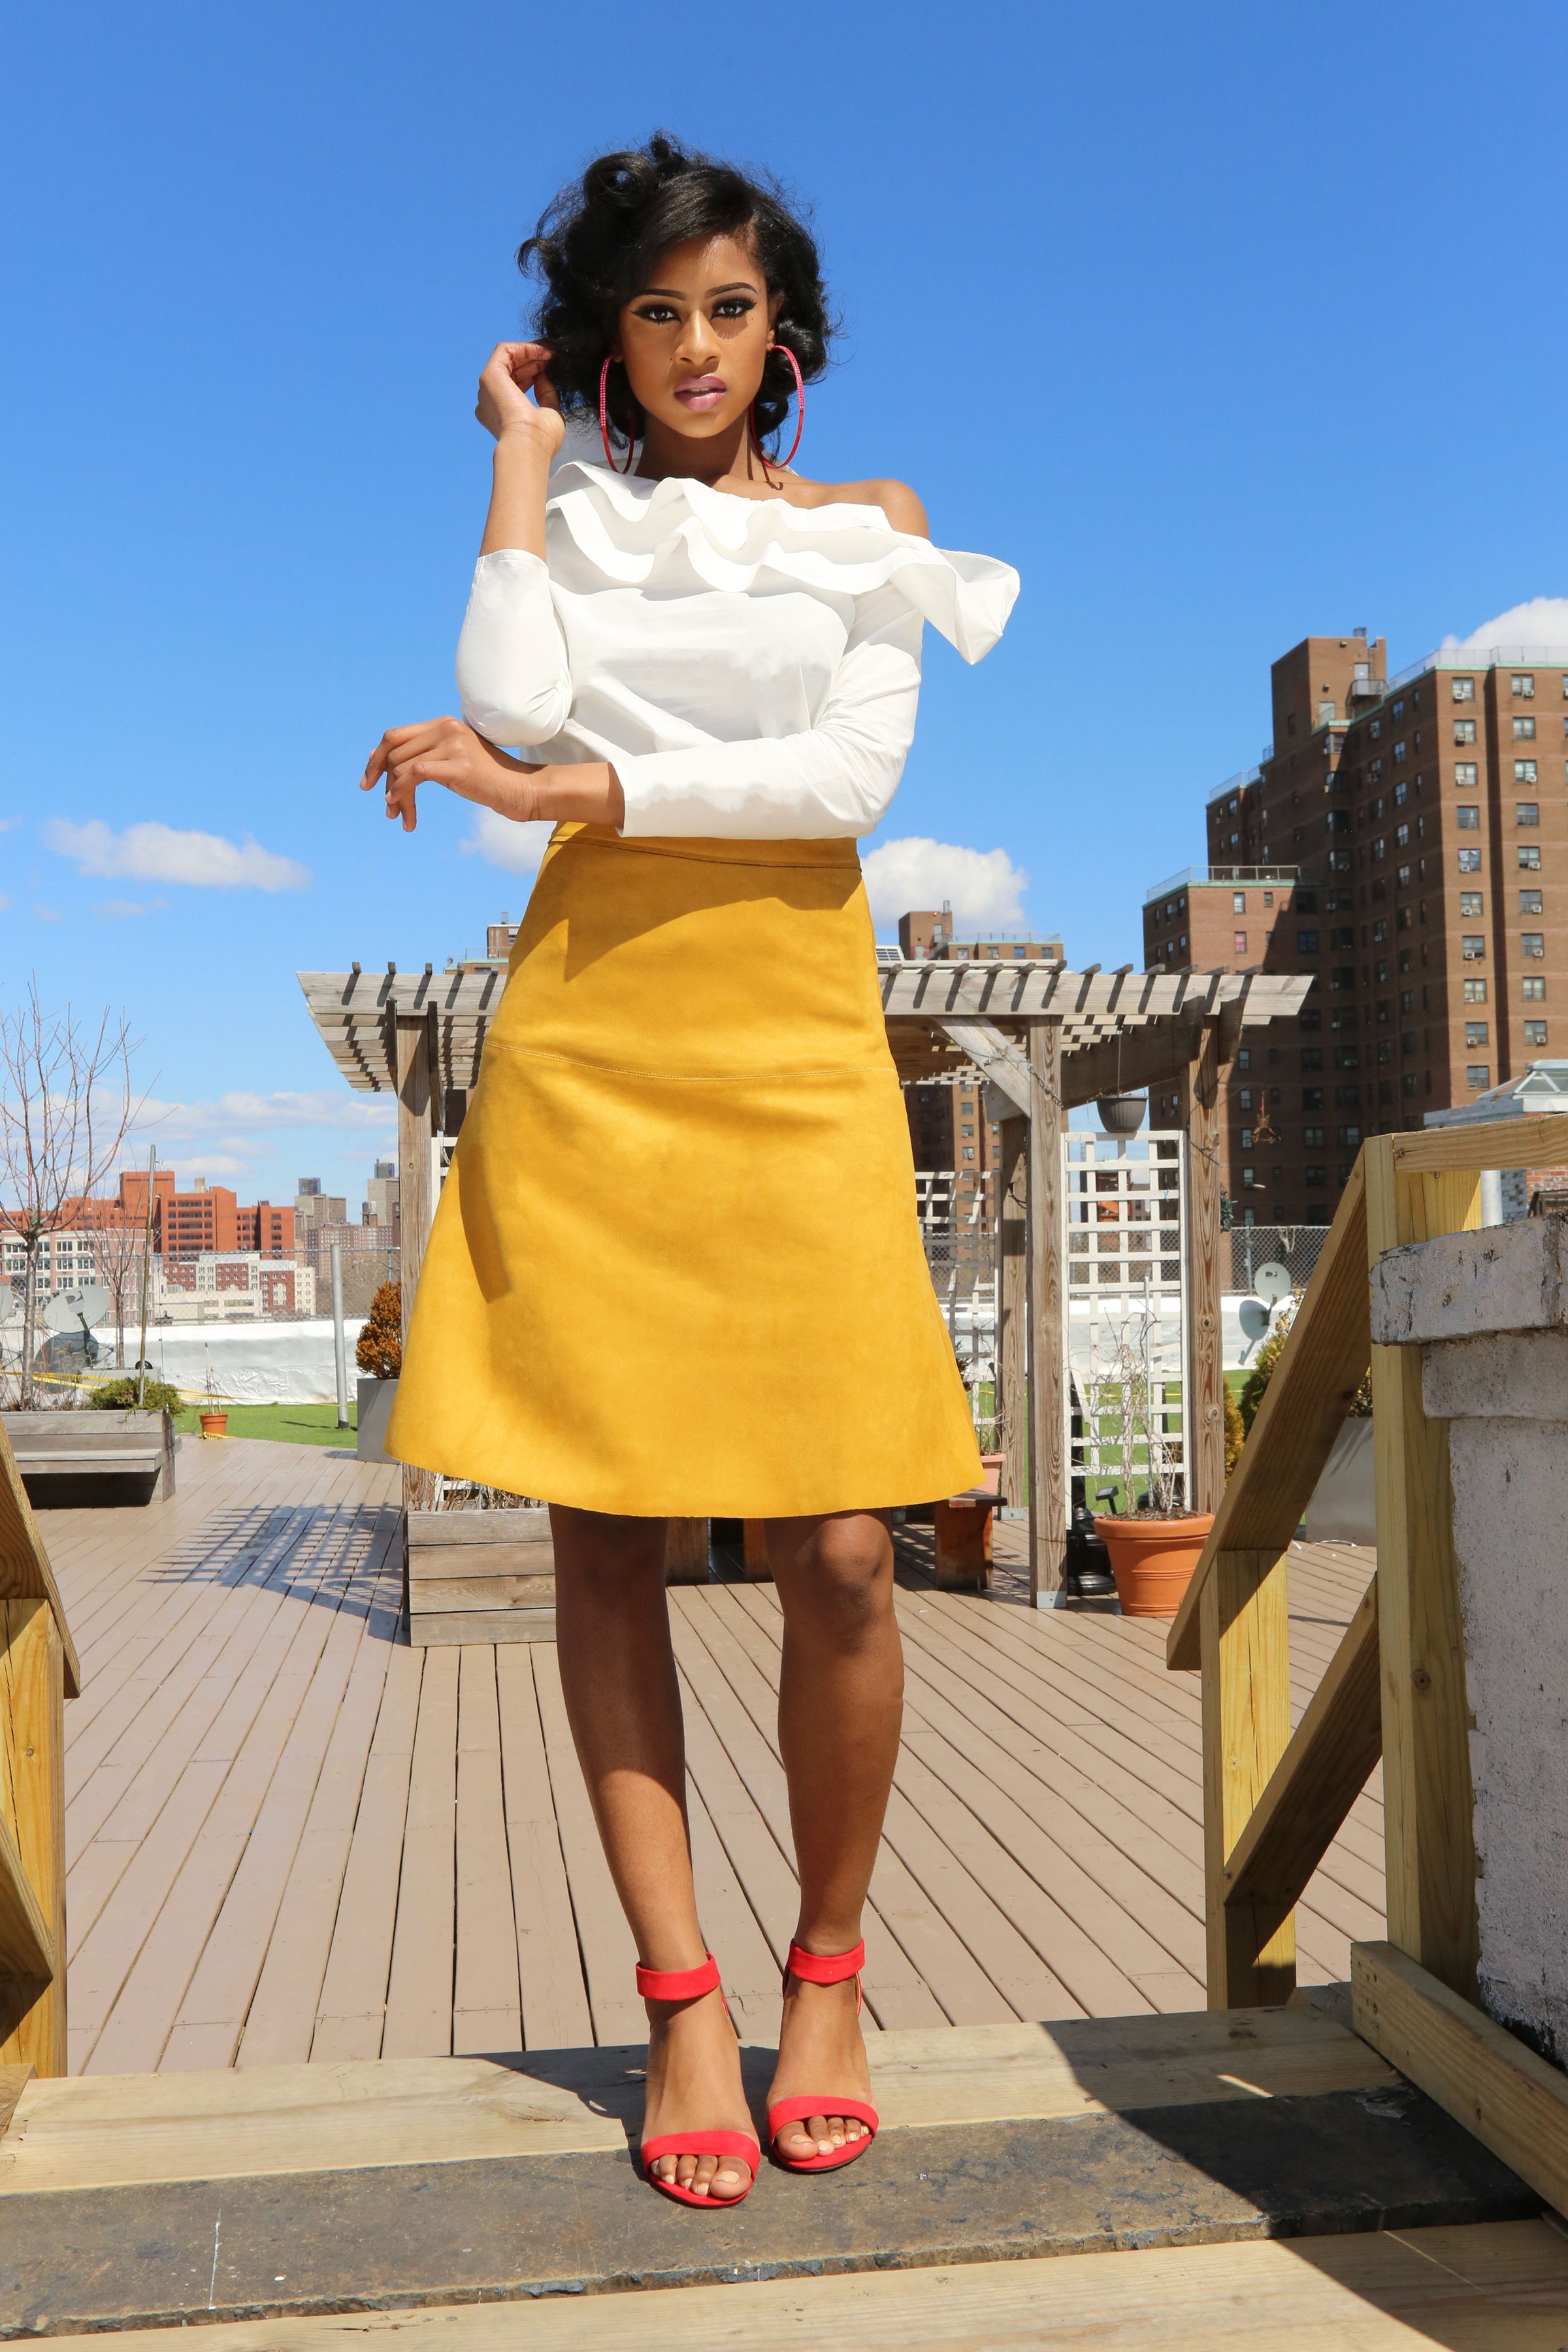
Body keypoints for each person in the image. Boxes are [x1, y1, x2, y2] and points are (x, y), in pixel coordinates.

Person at [361, 134, 1018, 2210]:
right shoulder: (582, 519)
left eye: (729, 310)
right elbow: (503, 696)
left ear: (784, 331)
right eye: (655, 315)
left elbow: (845, 783)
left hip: (792, 1034)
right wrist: (516, 464)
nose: (697, 348)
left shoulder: (869, 527)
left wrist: (585, 787)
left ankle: (827, 1972)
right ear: (604, 344)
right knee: (606, 1535)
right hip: (595, 1038)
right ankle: (679, 1998)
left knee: (839, 1540)